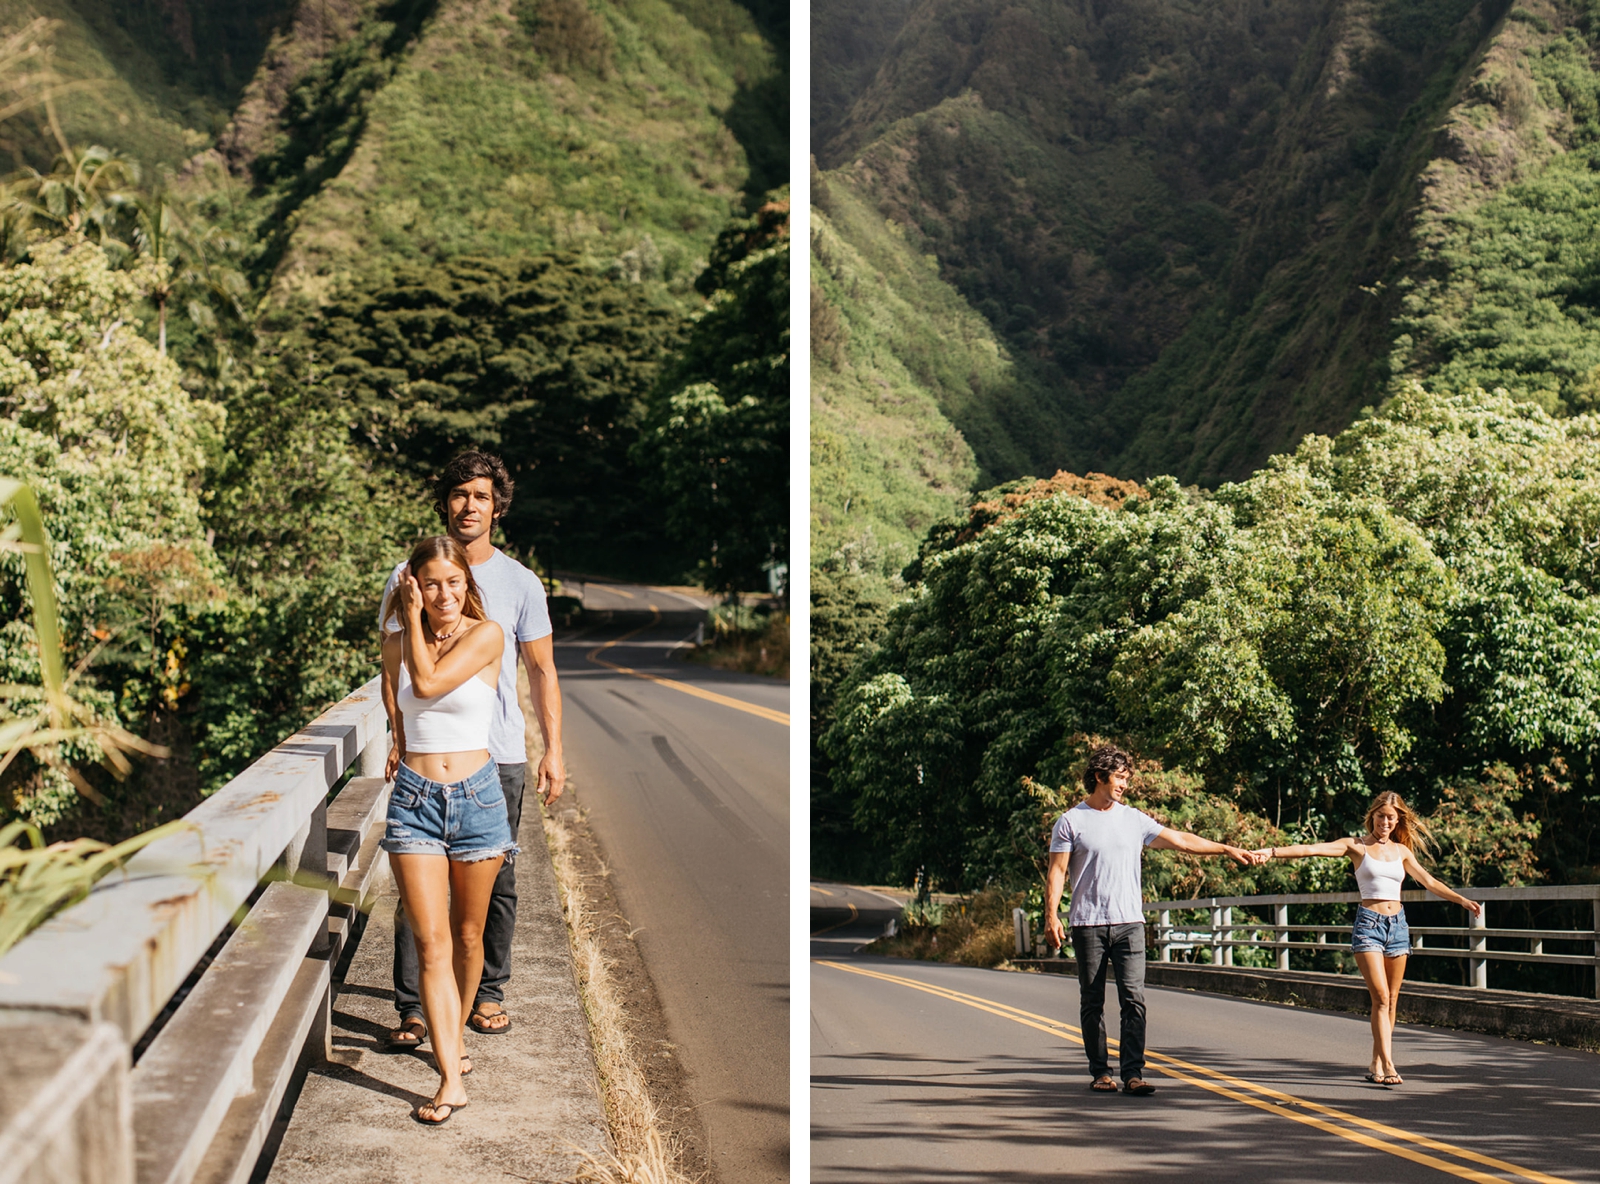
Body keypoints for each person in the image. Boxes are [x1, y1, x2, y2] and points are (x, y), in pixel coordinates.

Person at [382, 451, 566, 1050]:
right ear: (446, 502)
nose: (470, 506)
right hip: (428, 759)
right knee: (419, 899)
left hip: (499, 756)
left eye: (481, 496)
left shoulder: (519, 583)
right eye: (460, 495)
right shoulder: (409, 576)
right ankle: (414, 1007)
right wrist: (397, 733)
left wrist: (553, 748)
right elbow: (393, 669)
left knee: (497, 888)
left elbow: (541, 669)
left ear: (497, 506)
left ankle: (487, 993)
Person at [379, 535, 516, 1124]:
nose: (443, 594)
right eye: (430, 583)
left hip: (479, 799)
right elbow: (400, 703)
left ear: (468, 584)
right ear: (414, 582)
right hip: (415, 801)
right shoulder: (394, 645)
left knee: (467, 939)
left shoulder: (486, 637)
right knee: (431, 944)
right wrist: (401, 747)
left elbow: (431, 683)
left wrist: (410, 616)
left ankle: (453, 1044)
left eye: (453, 582)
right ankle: (448, 1079)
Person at [1044, 743, 1262, 1096]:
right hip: (1087, 923)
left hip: (1129, 922)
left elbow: (1181, 841)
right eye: (1119, 777)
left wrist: (1225, 848)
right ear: (1100, 776)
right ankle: (1100, 1071)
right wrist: (1051, 915)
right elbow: (1057, 872)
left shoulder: (1134, 819)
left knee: (1134, 998)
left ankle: (1133, 1073)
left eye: (1127, 778)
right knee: (1092, 1001)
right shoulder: (1071, 821)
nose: (1124, 785)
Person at [1252, 791, 1480, 1086]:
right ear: (1372, 815)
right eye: (1381, 816)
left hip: (1398, 926)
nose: (1385, 822)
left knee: (1392, 1000)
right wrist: (1272, 852)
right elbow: (1312, 849)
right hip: (1369, 925)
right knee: (1381, 997)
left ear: (1398, 821)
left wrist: (1462, 900)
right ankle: (1388, 1062)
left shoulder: (1402, 851)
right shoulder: (1356, 846)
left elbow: (1429, 881)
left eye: (1391, 818)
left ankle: (1375, 1062)